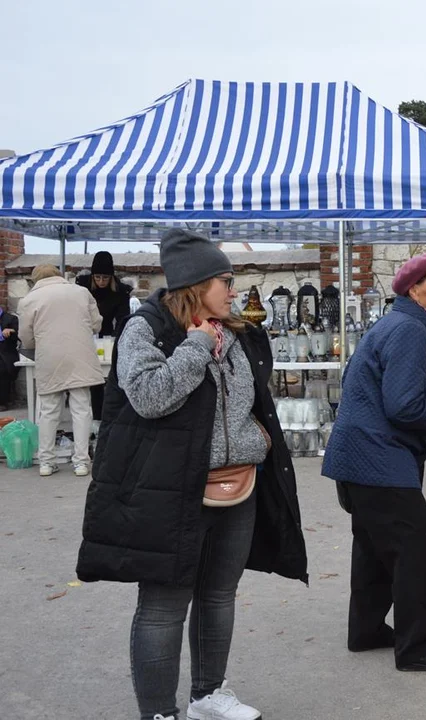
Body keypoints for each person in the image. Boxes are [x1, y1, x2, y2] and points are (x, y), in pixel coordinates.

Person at [76, 229, 308, 720]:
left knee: (219, 594)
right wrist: (197, 345)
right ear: (195, 284)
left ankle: (208, 695)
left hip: (239, 482)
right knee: (163, 606)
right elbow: (150, 397)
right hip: (170, 489)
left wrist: (258, 439)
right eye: (224, 280)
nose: (233, 289)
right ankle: (160, 712)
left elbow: (251, 399)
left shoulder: (241, 330)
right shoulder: (147, 328)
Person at [322, 251, 426, 673]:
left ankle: (367, 629)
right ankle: (417, 647)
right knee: (410, 547)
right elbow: (403, 406)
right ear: (415, 290)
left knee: (373, 548)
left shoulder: (396, 324)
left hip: (359, 457)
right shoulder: (409, 329)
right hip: (379, 459)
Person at [17, 264, 102, 477]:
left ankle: (46, 462)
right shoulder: (82, 292)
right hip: (79, 354)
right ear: (59, 275)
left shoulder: (28, 300)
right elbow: (96, 324)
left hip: (49, 356)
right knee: (81, 409)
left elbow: (26, 337)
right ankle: (81, 462)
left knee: (48, 410)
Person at [76, 250, 133, 420]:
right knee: (93, 380)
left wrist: (115, 340)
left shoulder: (121, 291)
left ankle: (112, 415)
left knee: (112, 375)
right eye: (98, 277)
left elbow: (123, 318)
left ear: (111, 277)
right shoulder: (82, 286)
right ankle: (95, 418)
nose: (101, 282)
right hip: (85, 333)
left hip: (108, 333)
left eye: (105, 278)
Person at [0, 306, 20, 411]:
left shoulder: (11, 319)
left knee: (2, 369)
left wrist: (11, 330)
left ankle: (2, 402)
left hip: (5, 354)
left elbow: (20, 335)